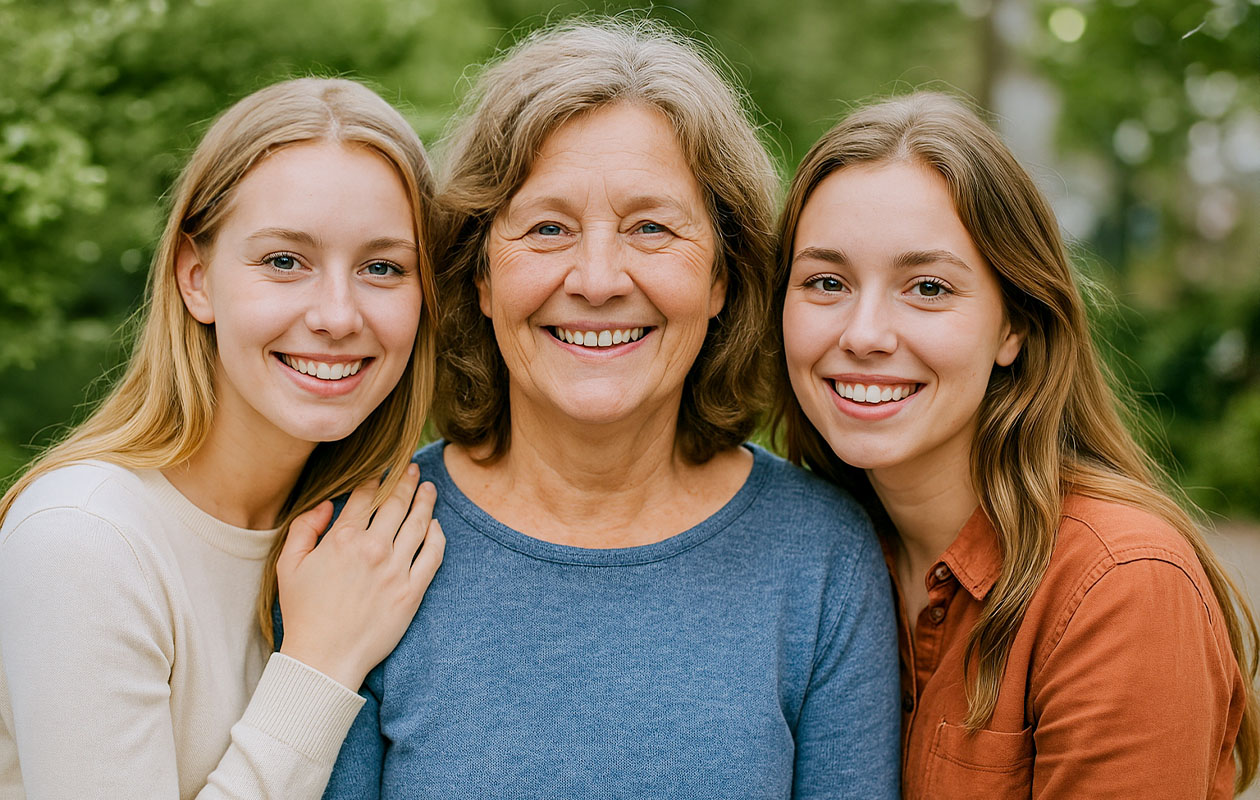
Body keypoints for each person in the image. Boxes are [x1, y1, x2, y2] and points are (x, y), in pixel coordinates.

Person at [317, 19, 899, 799]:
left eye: (650, 228)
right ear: (481, 276)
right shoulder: (369, 548)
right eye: (549, 228)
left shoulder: (820, 558)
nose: (596, 279)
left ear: (722, 277)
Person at [774, 91, 1258, 798]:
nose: (864, 333)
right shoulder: (807, 555)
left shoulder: (1121, 586)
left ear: (1015, 326)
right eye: (826, 282)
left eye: (928, 287)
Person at [0, 77, 446, 799]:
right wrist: (319, 665)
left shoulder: (372, 541)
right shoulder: (83, 539)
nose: (337, 315)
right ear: (197, 278)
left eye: (382, 268)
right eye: (283, 261)